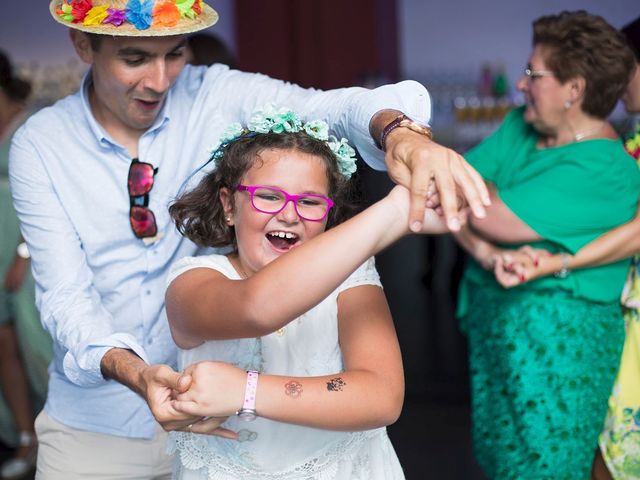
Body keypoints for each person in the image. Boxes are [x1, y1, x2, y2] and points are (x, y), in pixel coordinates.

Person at [9, 1, 489, 478]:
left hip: (227, 423)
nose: (159, 80)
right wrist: (136, 374)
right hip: (98, 428)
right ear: (82, 45)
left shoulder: (214, 90)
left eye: (175, 53)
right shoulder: (40, 143)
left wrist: (401, 135)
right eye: (134, 58)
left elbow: (330, 106)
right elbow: (67, 298)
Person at [165, 105, 449, 479]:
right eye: (268, 196)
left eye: (311, 202)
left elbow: (381, 396)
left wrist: (246, 391)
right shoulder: (192, 280)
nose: (289, 214)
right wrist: (395, 212)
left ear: (329, 215)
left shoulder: (351, 276)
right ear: (228, 205)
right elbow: (255, 307)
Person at [449, 11, 640, 479]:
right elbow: (441, 194)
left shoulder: (607, 167)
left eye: (534, 74)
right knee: (499, 460)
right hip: (496, 333)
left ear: (574, 90)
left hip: (556, 348)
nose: (519, 83)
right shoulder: (523, 126)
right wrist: (487, 248)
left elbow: (483, 211)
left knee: (546, 466)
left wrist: (473, 198)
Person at [0, 50, 40, 480]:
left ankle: (56, 436)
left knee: (37, 349)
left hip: (23, 254)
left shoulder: (31, 127)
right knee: (4, 349)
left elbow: (43, 199)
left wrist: (22, 256)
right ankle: (24, 437)